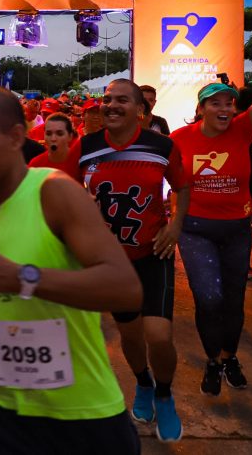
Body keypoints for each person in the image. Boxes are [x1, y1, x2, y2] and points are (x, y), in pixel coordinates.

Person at [0, 85, 143, 454]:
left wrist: (22, 277)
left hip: (84, 419)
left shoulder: (54, 192)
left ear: (16, 136)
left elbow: (124, 288)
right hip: (8, 413)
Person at [170, 24, 252, 396]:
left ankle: (229, 357)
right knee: (208, 297)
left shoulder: (242, 130)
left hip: (235, 229)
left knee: (233, 299)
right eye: (216, 102)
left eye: (229, 102)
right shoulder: (179, 140)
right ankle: (212, 360)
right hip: (195, 229)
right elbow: (164, 176)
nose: (225, 108)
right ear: (201, 109)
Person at [65, 79, 189, 442]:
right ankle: (143, 383)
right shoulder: (85, 147)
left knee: (159, 336)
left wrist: (176, 225)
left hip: (154, 253)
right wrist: (83, 216)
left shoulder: (162, 146)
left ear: (140, 110)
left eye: (122, 100)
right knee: (131, 336)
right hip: (112, 262)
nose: (111, 105)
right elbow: (65, 191)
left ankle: (165, 394)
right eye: (107, 99)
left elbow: (181, 186)